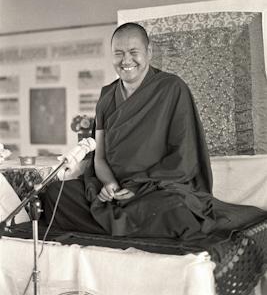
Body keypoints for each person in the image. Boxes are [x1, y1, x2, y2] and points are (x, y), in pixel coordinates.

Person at [43, 22, 267, 240]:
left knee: (176, 209)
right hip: (114, 189)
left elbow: (185, 157)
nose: (126, 60)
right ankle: (128, 224)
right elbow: (99, 157)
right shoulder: (106, 97)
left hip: (155, 189)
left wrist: (138, 188)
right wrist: (109, 184)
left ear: (149, 52)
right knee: (56, 195)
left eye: (133, 52)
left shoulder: (172, 88)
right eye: (118, 53)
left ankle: (114, 223)